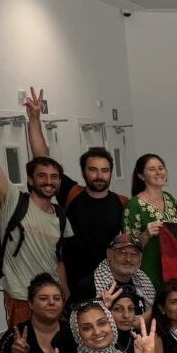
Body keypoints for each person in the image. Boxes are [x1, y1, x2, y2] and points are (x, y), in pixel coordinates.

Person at [0, 90, 65, 323]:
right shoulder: (13, 201)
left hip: (53, 295)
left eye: (54, 177)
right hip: (21, 297)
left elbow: (58, 259)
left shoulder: (60, 215)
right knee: (22, 344)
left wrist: (34, 119)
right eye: (42, 176)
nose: (48, 181)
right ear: (30, 179)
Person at [23, 88, 125, 287]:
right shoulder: (71, 193)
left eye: (104, 170)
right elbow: (42, 160)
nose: (99, 175)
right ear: (84, 172)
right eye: (93, 170)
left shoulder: (122, 203)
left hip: (110, 284)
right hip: (73, 283)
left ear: (110, 173)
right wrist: (34, 118)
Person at [122, 153, 177, 288]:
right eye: (152, 169)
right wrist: (146, 235)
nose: (158, 172)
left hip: (174, 267)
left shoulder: (169, 198)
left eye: (160, 168)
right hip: (149, 270)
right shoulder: (133, 206)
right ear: (141, 176)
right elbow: (127, 249)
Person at [68, 232, 156, 320]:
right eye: (122, 253)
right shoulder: (88, 286)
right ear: (109, 254)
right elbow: (74, 321)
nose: (128, 259)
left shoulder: (144, 282)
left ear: (140, 258)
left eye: (134, 254)